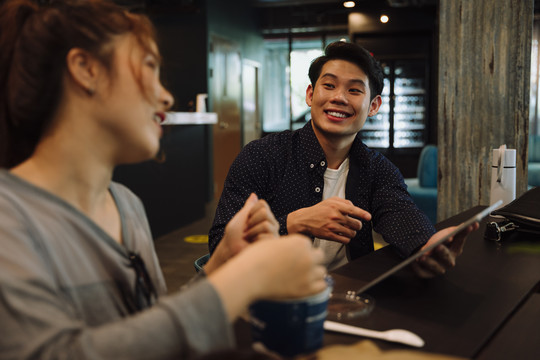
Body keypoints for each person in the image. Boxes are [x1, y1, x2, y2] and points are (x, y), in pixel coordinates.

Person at [0, 1, 327, 359]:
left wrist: (221, 264)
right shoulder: (10, 218)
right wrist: (248, 277)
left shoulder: (126, 204)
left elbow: (147, 331)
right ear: (85, 68)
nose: (166, 95)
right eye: (150, 67)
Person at [209, 41, 478, 276]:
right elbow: (221, 241)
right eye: (329, 85)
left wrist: (427, 243)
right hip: (270, 294)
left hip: (349, 295)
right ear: (311, 94)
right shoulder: (262, 156)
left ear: (373, 106)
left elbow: (400, 213)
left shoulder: (377, 169)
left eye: (354, 90)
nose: (339, 98)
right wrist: (295, 222)